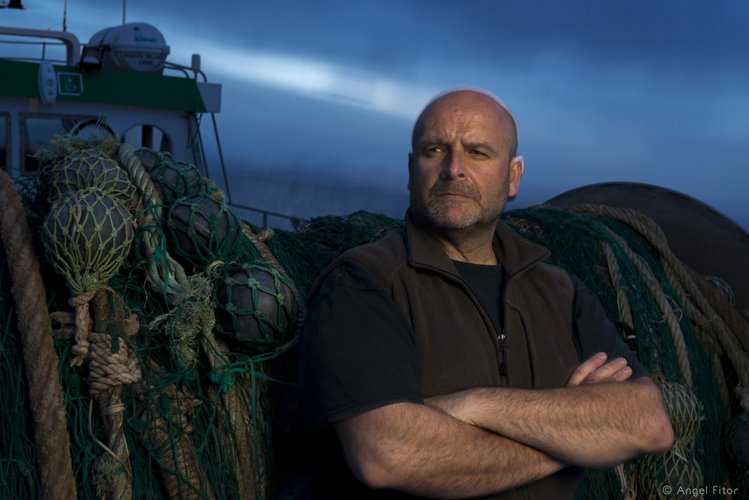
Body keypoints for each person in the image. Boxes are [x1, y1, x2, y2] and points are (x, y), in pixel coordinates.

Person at [298, 88, 674, 499]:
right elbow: (388, 454)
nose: (453, 169)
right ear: (411, 170)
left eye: (477, 152)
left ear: (513, 177)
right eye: (435, 150)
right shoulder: (364, 281)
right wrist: (579, 437)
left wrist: (475, 404)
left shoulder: (561, 292)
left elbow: (649, 423)